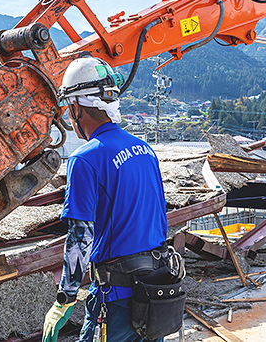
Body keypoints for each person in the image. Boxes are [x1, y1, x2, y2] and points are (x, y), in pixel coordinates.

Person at [41, 57, 170, 342]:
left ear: (75, 107)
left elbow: (80, 236)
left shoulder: (85, 159)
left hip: (118, 302)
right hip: (155, 293)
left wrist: (66, 297)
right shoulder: (145, 150)